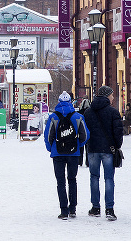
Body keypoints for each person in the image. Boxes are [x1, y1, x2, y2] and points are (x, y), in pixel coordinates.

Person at [44, 91, 89, 220]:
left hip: (57, 153)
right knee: (72, 180)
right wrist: (77, 146)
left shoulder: (53, 117)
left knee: (60, 181)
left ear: (58, 102)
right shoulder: (78, 116)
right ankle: (73, 209)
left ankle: (64, 210)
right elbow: (85, 135)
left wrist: (51, 149)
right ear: (70, 102)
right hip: (73, 153)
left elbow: (48, 136)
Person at [82, 85, 123, 221]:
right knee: (109, 179)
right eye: (111, 95)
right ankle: (109, 209)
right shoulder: (113, 112)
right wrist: (117, 146)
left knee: (94, 177)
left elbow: (85, 132)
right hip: (108, 150)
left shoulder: (88, 112)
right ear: (106, 96)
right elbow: (118, 132)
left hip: (93, 149)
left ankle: (95, 207)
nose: (113, 97)